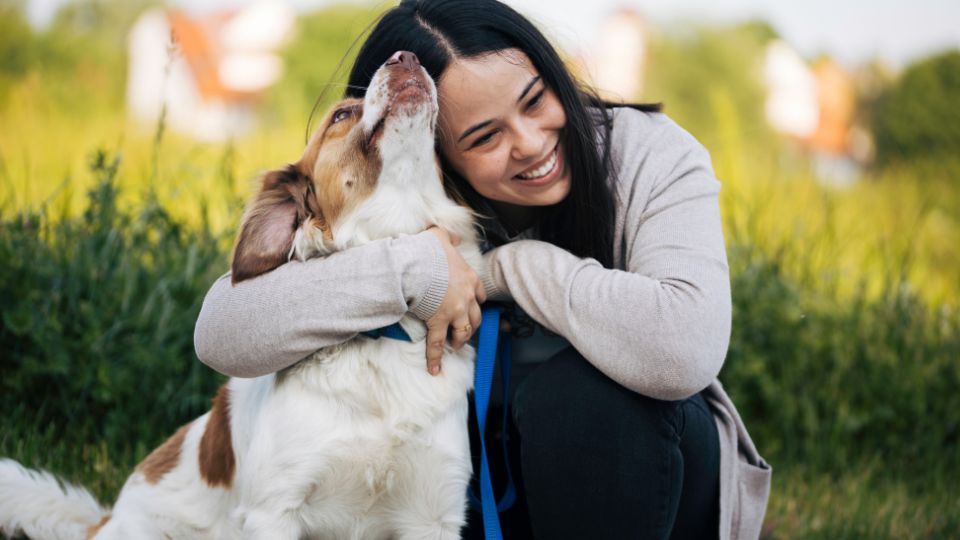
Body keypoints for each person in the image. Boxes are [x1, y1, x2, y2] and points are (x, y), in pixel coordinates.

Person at [193, 0, 771, 537]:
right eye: (485, 136)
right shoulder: (415, 203)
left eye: (536, 99)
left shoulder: (650, 155)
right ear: (433, 147)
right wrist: (415, 266)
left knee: (579, 398)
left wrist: (507, 269)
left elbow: (684, 348)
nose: (530, 144)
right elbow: (223, 330)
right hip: (472, 501)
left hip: (647, 484)